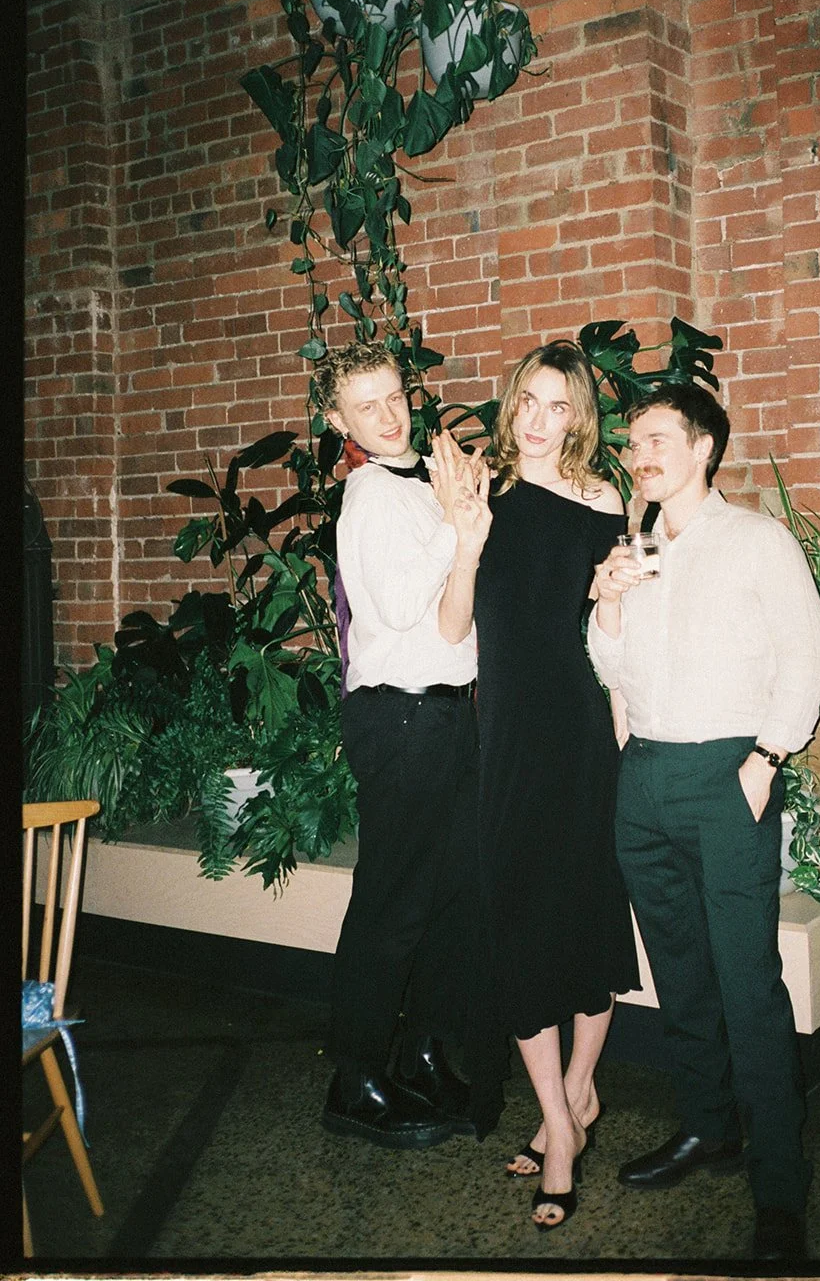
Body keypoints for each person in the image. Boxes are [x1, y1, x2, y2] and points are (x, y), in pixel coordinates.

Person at [587, 383, 820, 1263]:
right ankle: (706, 1128)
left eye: (657, 439)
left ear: (703, 450)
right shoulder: (638, 546)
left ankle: (778, 1185)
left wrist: (766, 758)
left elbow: (810, 656)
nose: (639, 453)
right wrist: (606, 599)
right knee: (679, 971)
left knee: (745, 980)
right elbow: (611, 669)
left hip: (728, 771)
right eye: (633, 441)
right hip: (644, 773)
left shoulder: (757, 542)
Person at [467, 339, 641, 1231]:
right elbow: (452, 616)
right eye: (527, 402)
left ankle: (569, 1101)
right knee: (519, 916)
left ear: (578, 417)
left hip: (576, 728)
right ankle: (562, 1124)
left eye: (557, 407)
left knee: (585, 909)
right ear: (511, 405)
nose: (537, 421)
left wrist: (621, 731)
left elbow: (615, 627)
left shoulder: (603, 499)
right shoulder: (478, 493)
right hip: (501, 732)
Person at [314, 341, 491, 1149]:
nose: (388, 417)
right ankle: (354, 1080)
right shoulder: (367, 497)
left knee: (448, 899)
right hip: (400, 719)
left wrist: (463, 519)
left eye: (393, 397)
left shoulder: (422, 482)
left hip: (447, 713)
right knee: (391, 906)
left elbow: (460, 610)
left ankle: (419, 1052)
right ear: (338, 421)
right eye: (366, 407)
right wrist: (456, 529)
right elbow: (391, 605)